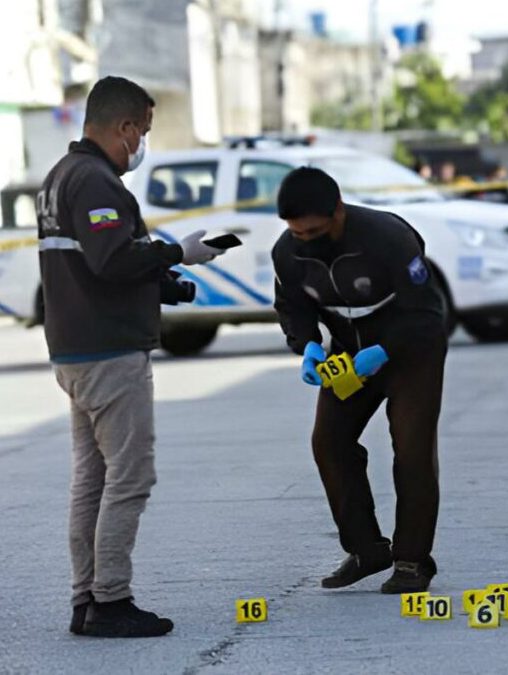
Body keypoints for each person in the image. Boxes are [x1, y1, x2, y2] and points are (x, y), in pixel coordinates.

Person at [38, 76, 228, 637]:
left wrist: (169, 282)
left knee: (92, 481)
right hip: (108, 353)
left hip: (76, 350)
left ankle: (87, 600)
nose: (141, 144)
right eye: (141, 132)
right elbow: (114, 260)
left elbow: (96, 263)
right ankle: (112, 600)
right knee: (129, 477)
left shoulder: (59, 178)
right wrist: (180, 251)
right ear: (122, 128)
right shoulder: (95, 180)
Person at [271, 167, 448, 594]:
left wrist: (386, 351)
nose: (305, 240)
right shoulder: (287, 253)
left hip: (411, 350)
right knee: (328, 441)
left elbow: (426, 312)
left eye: (314, 231)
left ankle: (412, 561)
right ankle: (366, 549)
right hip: (348, 351)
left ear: (338, 212)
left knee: (411, 447)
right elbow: (292, 307)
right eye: (297, 233)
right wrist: (307, 345)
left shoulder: (388, 238)